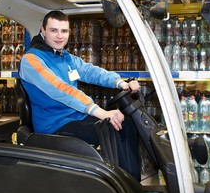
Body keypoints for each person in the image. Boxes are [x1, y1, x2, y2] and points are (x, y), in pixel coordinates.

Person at [19, 10, 141, 180]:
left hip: (76, 117)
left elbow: (91, 72)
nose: (59, 36)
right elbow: (61, 89)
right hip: (55, 125)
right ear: (43, 31)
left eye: (64, 31)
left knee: (126, 125)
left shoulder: (65, 57)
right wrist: (101, 113)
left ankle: (133, 184)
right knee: (111, 129)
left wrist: (120, 83)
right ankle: (120, 186)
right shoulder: (31, 60)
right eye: (54, 30)